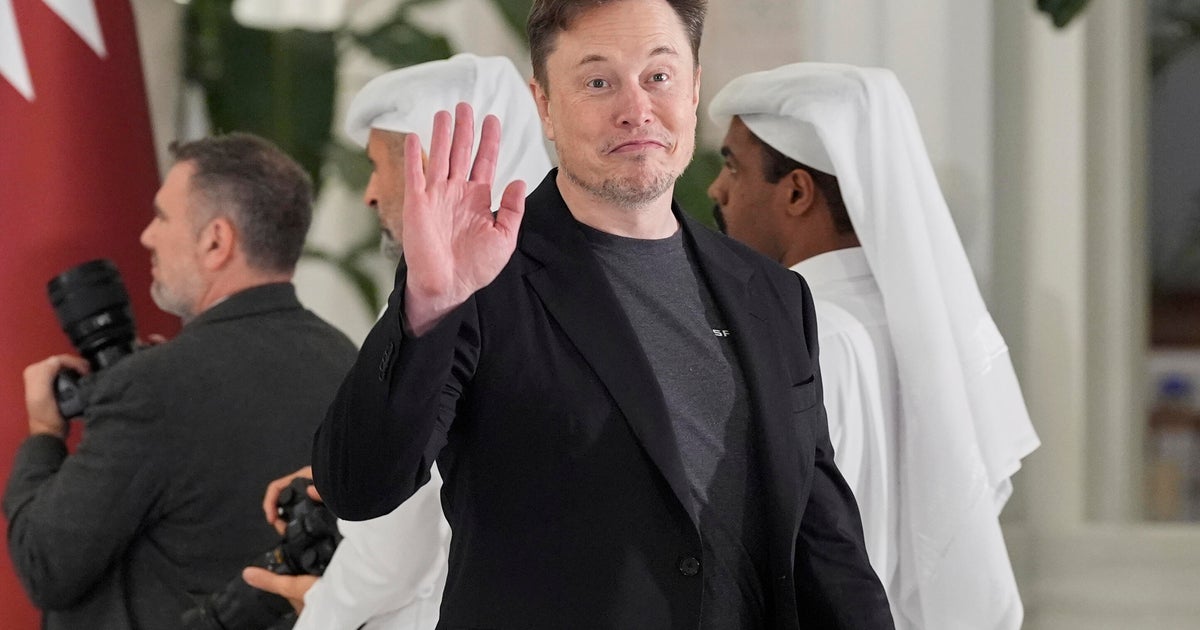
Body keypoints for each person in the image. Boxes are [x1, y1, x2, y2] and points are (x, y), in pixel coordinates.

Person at [312, 1, 894, 628]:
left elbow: (824, 542)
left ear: (694, 88)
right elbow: (361, 487)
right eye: (597, 81)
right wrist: (429, 304)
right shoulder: (480, 276)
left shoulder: (773, 294)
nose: (636, 108)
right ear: (544, 105)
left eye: (659, 76)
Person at [707, 62, 1041, 630]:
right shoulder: (913, 327)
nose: (716, 189)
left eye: (733, 167)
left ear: (796, 192)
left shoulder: (804, 337)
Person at [241, 53, 553, 630]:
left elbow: (390, 552)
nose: (369, 193)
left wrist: (319, 615)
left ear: (433, 167)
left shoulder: (452, 301)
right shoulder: (567, 279)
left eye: (377, 166)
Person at [3, 133, 359, 630]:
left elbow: (44, 565)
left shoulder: (153, 386)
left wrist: (44, 434)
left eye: (162, 217)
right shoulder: (347, 361)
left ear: (216, 241)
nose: (147, 236)